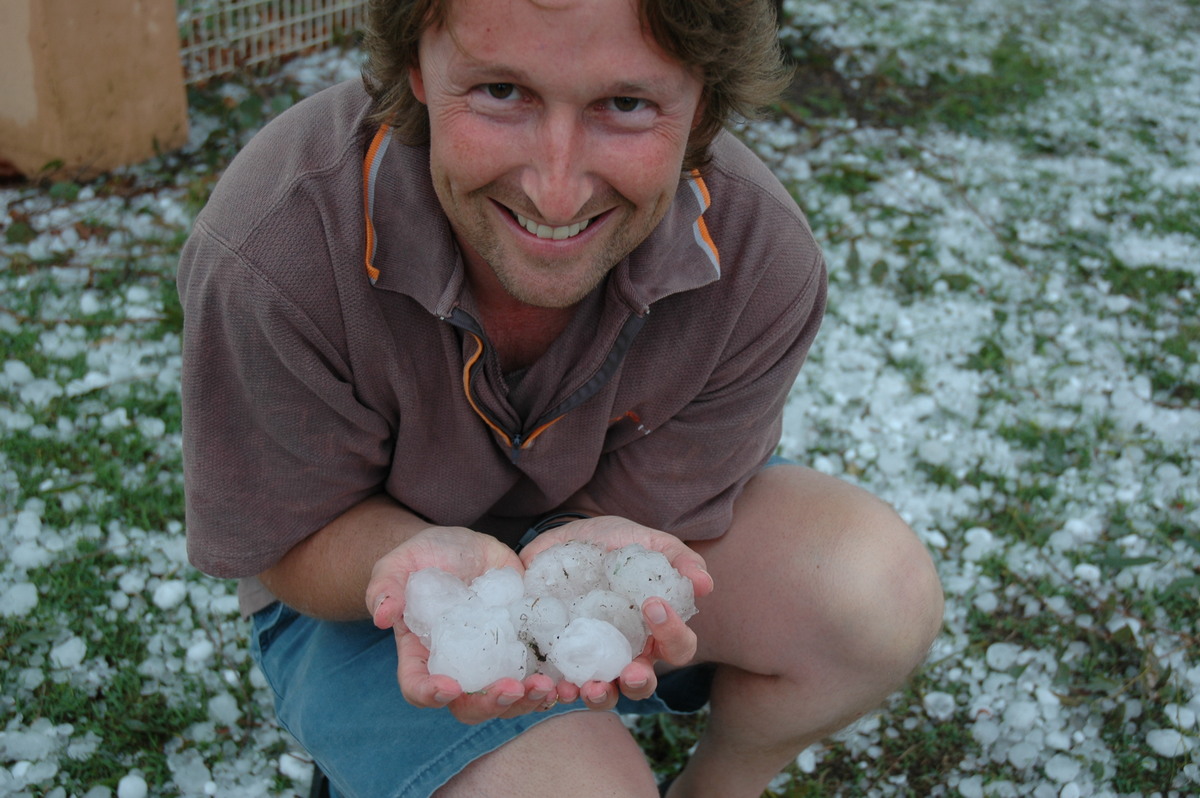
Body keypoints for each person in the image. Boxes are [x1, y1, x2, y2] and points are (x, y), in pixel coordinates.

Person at [177, 0, 944, 795]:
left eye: (626, 104)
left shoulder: (760, 259)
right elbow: (292, 541)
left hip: (623, 530)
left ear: (706, 103)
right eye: (502, 91)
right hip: (354, 595)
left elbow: (673, 505)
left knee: (875, 595)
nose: (555, 189)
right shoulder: (272, 251)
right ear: (412, 66)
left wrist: (599, 552)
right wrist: (413, 575)